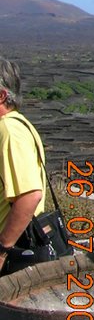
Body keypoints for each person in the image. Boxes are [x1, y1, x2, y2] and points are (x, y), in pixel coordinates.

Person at [0, 58, 46, 275]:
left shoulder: (9, 131)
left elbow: (29, 195)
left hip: (14, 253)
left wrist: (1, 250)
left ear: (1, 96)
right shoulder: (18, 124)